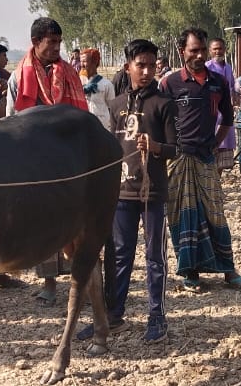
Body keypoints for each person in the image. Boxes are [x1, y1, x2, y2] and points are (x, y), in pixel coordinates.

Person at [76, 38, 177, 345]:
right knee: (119, 255)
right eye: (140, 65)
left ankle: (157, 316)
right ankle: (112, 315)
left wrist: (156, 147)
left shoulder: (163, 105)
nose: (146, 71)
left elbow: (176, 147)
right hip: (121, 193)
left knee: (155, 256)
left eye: (151, 65)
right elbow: (110, 147)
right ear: (127, 67)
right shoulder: (117, 105)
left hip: (153, 194)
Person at [160, 28, 241, 292]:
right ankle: (190, 273)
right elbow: (159, 122)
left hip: (205, 158)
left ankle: (228, 270)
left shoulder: (217, 82)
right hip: (177, 161)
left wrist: (214, 142)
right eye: (193, 50)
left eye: (201, 50)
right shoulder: (169, 83)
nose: (199, 55)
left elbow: (228, 120)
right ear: (182, 52)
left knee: (215, 213)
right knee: (182, 217)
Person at [9, 17, 89, 302]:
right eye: (51, 42)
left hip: (67, 160)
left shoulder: (69, 73)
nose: (56, 47)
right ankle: (49, 284)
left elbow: (81, 116)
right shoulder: (18, 76)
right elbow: (10, 122)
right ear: (35, 43)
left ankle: (84, 283)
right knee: (43, 225)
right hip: (34, 162)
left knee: (74, 222)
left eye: (59, 42)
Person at [206, 36, 237, 173]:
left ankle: (218, 183)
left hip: (225, 116)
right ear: (210, 51)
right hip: (210, 117)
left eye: (220, 49)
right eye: (215, 49)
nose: (218, 51)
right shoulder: (206, 67)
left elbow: (232, 87)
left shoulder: (229, 68)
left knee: (223, 154)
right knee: (211, 151)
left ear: (225, 50)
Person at [80, 47, 117, 132]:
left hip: (101, 127)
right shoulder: (76, 83)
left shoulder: (106, 84)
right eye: (80, 61)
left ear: (95, 62)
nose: (82, 65)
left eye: (85, 61)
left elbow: (112, 108)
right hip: (82, 126)